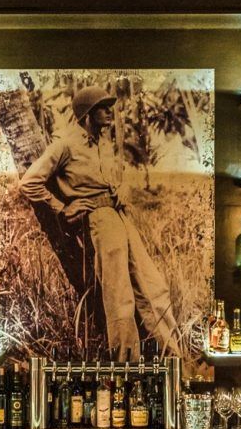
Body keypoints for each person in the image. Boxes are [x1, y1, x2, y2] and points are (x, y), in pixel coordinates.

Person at [17, 85, 182, 360]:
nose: (109, 111)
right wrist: (62, 208)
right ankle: (126, 367)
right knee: (120, 296)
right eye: (102, 108)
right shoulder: (65, 144)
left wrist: (121, 190)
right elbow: (29, 183)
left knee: (153, 287)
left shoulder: (102, 144)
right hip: (100, 222)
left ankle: (175, 359)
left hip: (120, 217)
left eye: (108, 106)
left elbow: (111, 179)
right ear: (87, 115)